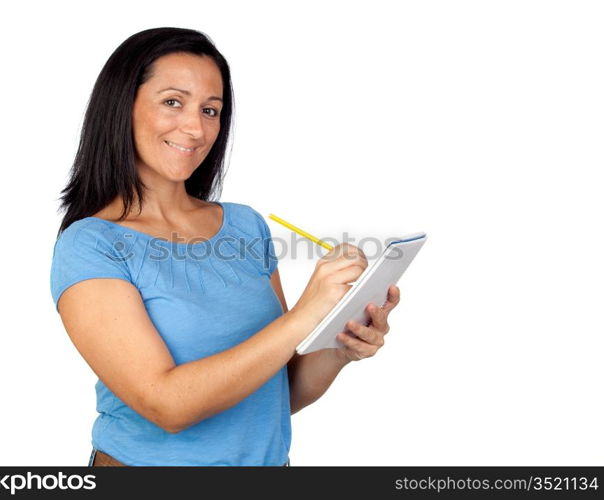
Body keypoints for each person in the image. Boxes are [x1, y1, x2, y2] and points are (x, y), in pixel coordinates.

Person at [49, 27, 401, 467]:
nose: (195, 127)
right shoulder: (89, 245)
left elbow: (277, 392)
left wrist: (338, 347)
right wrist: (307, 315)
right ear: (123, 106)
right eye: (173, 101)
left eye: (211, 110)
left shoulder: (244, 225)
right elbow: (168, 406)